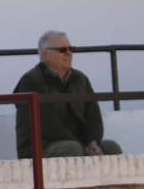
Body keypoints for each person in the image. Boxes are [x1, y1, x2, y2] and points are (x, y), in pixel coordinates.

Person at [13, 30, 122, 159]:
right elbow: (49, 125)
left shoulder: (81, 79)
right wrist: (83, 146)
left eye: (71, 49)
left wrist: (93, 143)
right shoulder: (31, 81)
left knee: (111, 148)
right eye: (62, 50)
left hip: (78, 144)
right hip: (40, 146)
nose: (69, 53)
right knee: (72, 149)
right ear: (45, 54)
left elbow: (94, 117)